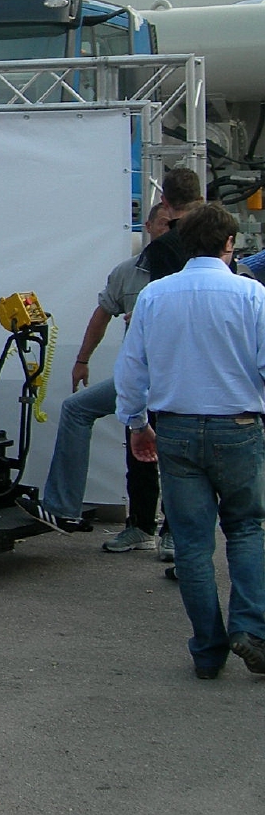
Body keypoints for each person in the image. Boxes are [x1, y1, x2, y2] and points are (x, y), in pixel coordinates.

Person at [117, 202, 265, 680]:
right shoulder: (252, 295)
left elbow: (132, 368)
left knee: (192, 544)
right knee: (247, 530)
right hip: (238, 426)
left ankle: (207, 648)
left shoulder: (155, 296)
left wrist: (137, 423)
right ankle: (250, 628)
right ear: (229, 243)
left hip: (176, 429)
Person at [19, 202, 174, 549]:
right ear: (149, 226)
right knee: (78, 408)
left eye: (176, 224)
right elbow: (102, 314)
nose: (169, 231)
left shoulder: (187, 271)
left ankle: (173, 534)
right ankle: (66, 510)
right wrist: (82, 360)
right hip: (139, 378)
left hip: (178, 379)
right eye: (164, 224)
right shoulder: (128, 272)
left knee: (171, 446)